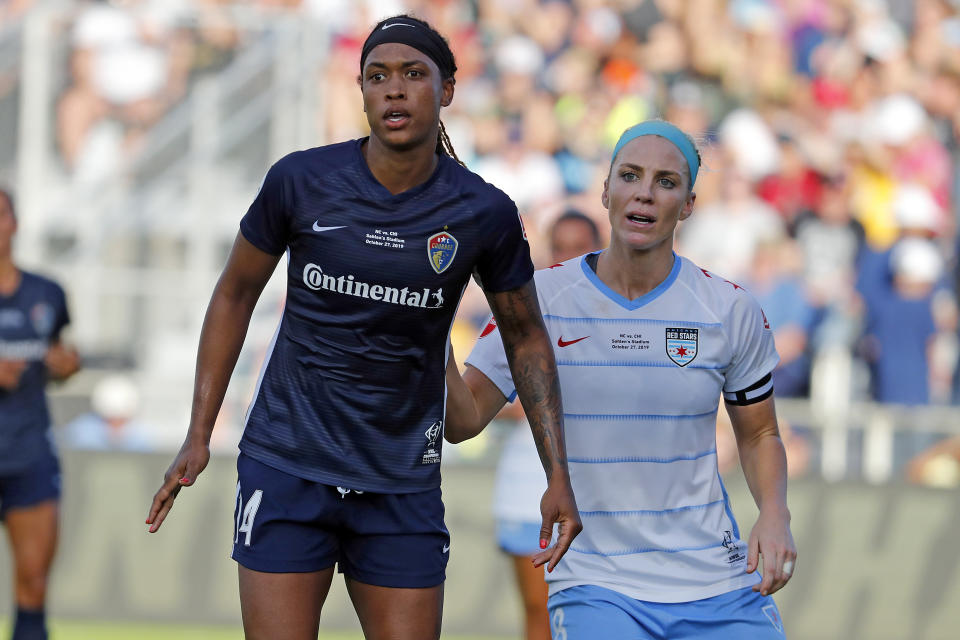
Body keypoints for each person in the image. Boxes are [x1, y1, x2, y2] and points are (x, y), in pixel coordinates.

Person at [145, 15, 580, 640]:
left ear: (448, 89)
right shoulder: (301, 180)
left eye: (412, 74)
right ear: (362, 92)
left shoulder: (484, 211)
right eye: (377, 77)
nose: (393, 90)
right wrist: (198, 432)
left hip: (401, 479)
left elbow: (526, 336)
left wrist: (555, 472)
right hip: (288, 465)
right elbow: (235, 293)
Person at [445, 120, 796, 639]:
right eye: (630, 176)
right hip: (597, 585)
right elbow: (463, 419)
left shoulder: (730, 309)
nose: (645, 194)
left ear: (690, 204)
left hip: (717, 583)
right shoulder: (538, 300)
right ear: (606, 190)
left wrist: (774, 513)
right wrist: (428, 319)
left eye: (666, 182)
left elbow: (760, 433)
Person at [488, 210, 602, 640]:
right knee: (540, 614)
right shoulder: (521, 312)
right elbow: (477, 401)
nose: (570, 257)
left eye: (581, 247)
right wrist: (529, 404)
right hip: (525, 489)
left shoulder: (623, 315)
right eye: (561, 247)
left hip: (598, 492)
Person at [0, 187, 80, 640]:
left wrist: (68, 367)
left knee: (33, 582)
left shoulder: (47, 293)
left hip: (29, 452)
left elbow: (60, 357)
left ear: (15, 222)